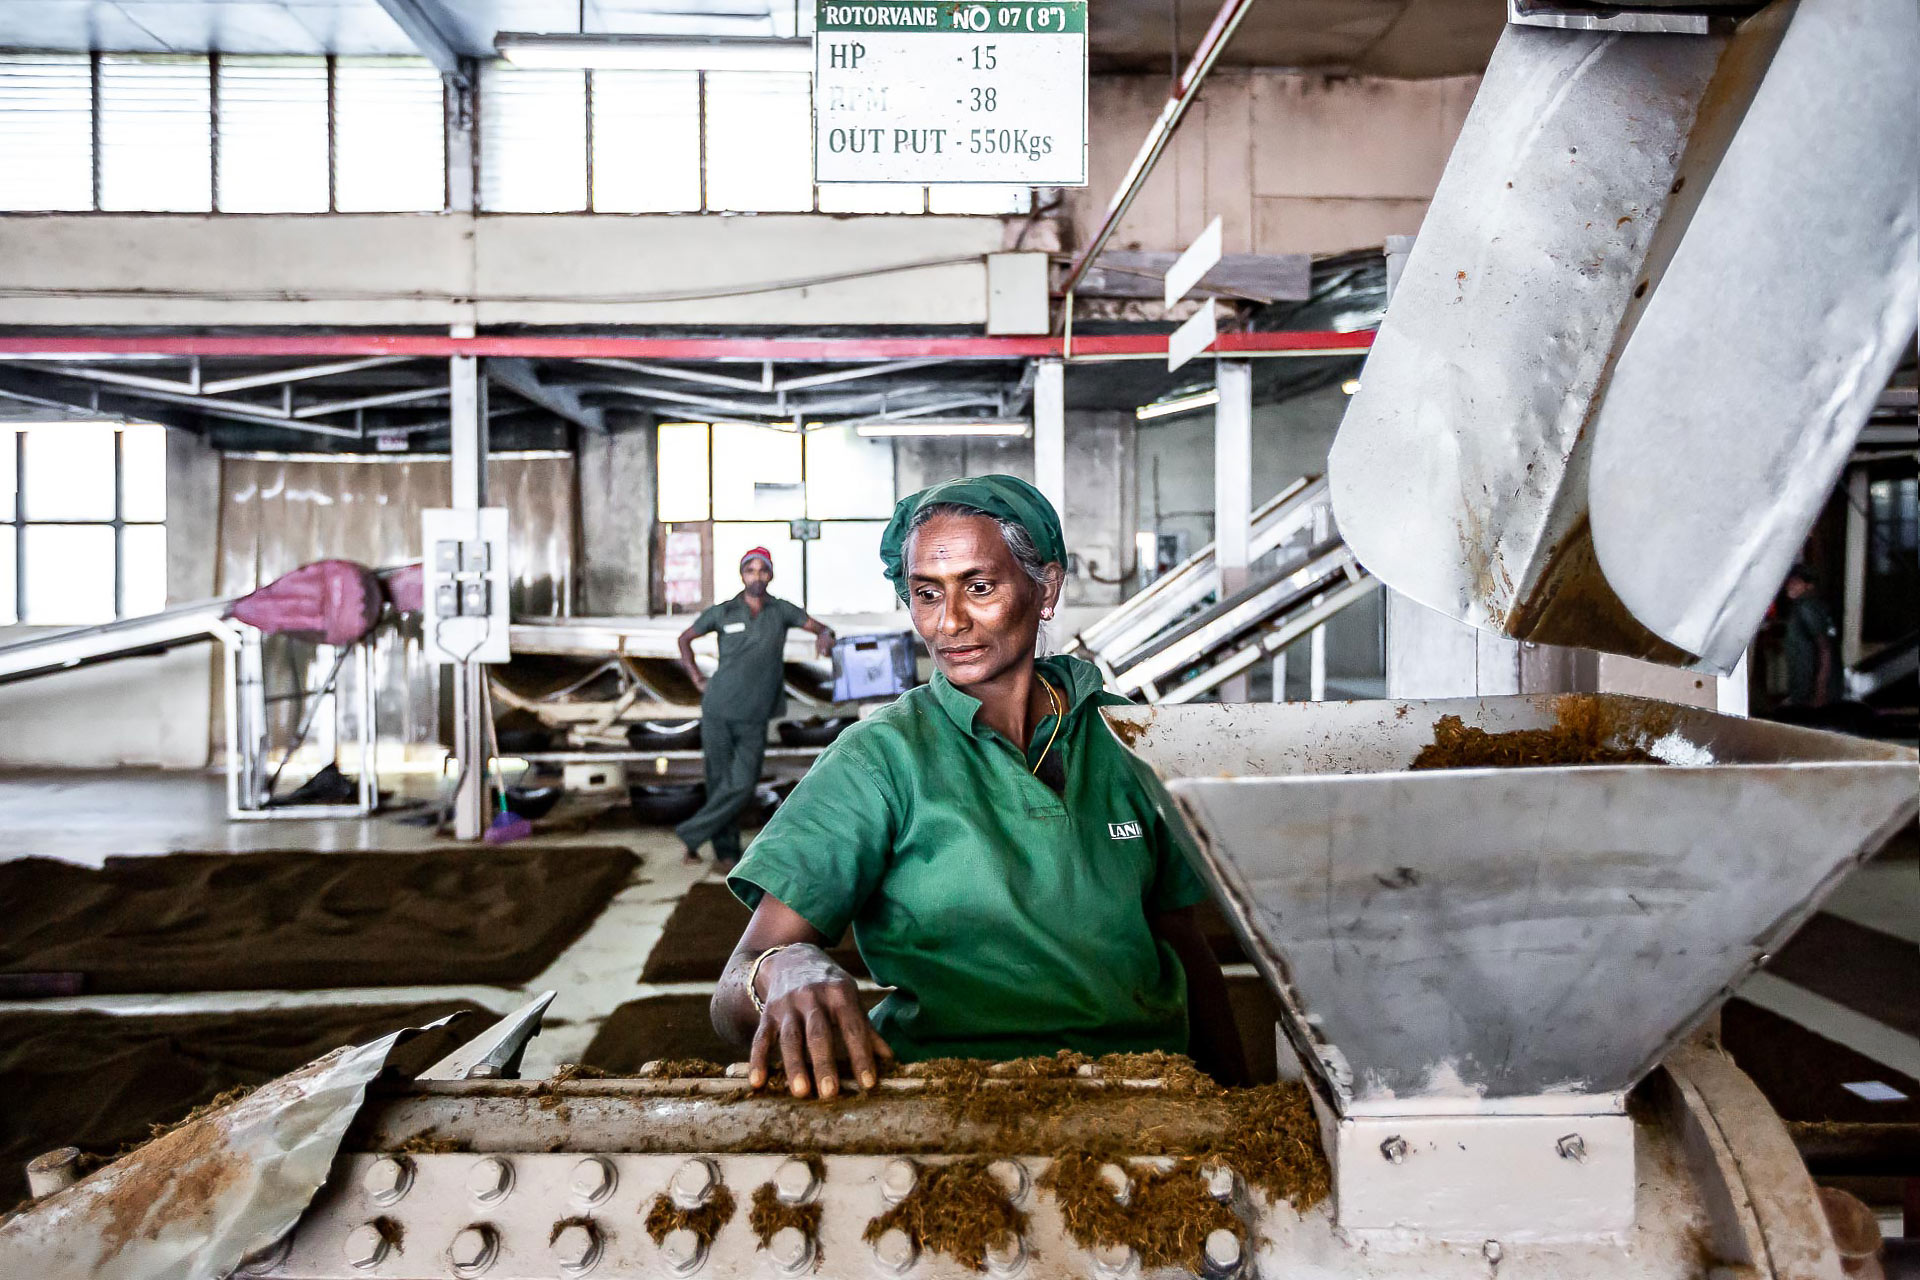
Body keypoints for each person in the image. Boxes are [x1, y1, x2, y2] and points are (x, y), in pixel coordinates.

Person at [710, 476, 1249, 1098]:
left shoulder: (1129, 739)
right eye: (926, 593)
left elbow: (1182, 942)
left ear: (1046, 588)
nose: (950, 621)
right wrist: (780, 970)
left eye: (980, 586)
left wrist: (1237, 1096)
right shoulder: (879, 759)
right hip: (950, 1101)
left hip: (1144, 1095)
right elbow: (732, 992)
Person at [675, 548, 835, 869]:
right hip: (718, 709)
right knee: (719, 783)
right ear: (742, 574)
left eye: (763, 570)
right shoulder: (723, 612)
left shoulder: (782, 611)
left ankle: (691, 833)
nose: (757, 576)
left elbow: (821, 628)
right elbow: (684, 639)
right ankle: (726, 854)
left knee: (743, 784)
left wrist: (825, 637)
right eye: (751, 570)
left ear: (770, 575)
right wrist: (696, 677)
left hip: (756, 713)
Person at [1780, 563, 1843, 708]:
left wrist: (1820, 691)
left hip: (1810, 691)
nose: (1789, 586)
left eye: (1796, 582)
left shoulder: (1806, 607)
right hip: (1811, 689)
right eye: (1788, 582)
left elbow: (1825, 649)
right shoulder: (1815, 606)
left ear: (1809, 586)